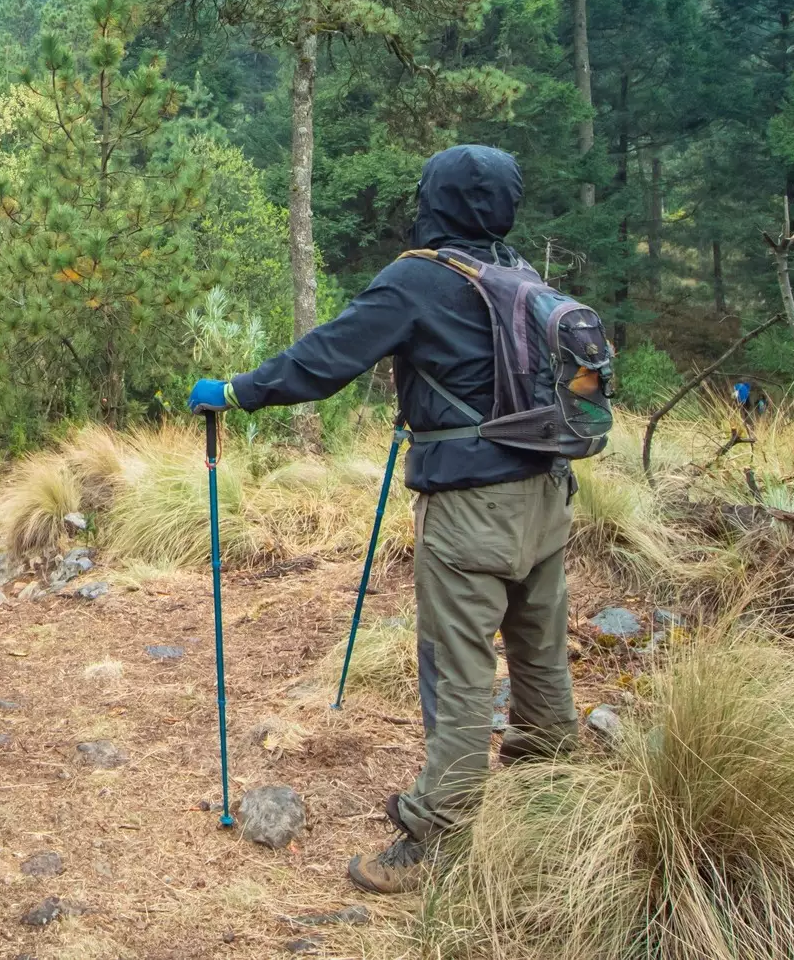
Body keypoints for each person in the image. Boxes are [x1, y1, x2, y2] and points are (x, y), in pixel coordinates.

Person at [188, 144, 579, 895]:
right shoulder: (522, 276)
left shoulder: (419, 278)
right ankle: (556, 799)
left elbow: (324, 360)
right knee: (539, 655)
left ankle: (438, 834)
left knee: (459, 672)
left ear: (435, 199)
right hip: (547, 497)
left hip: (471, 511)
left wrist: (235, 392)